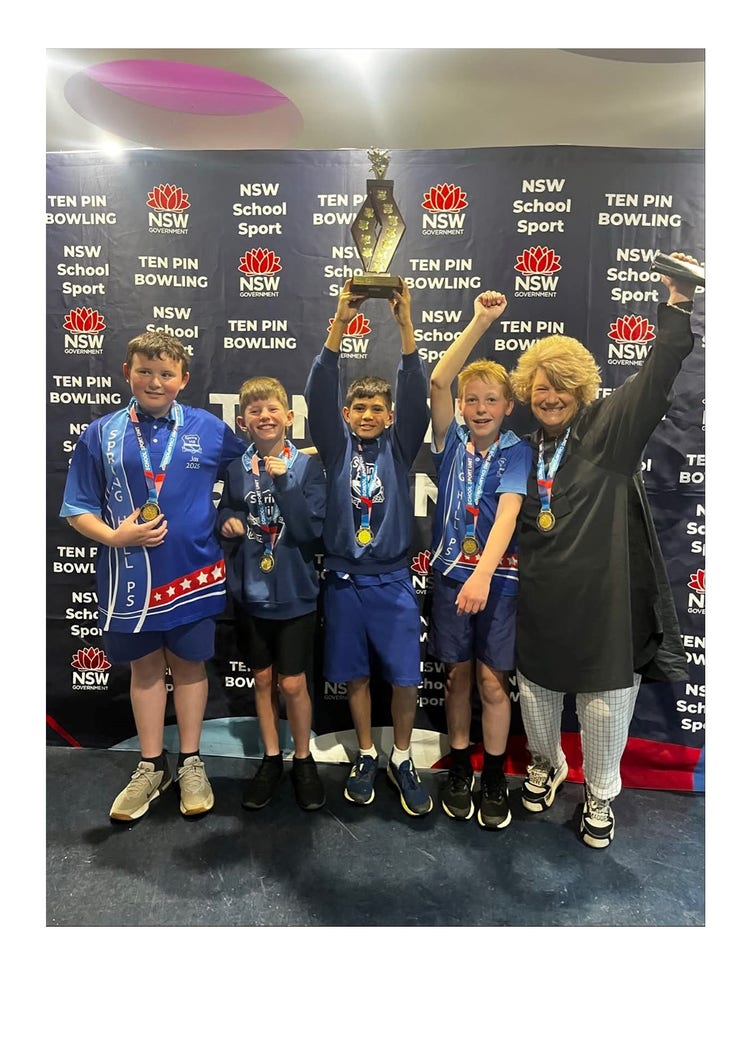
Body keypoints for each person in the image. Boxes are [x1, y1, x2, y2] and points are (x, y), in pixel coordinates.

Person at [509, 252, 699, 849]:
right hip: (542, 603)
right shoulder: (522, 451)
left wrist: (678, 303)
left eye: (562, 386)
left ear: (582, 389)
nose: (551, 397)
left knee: (603, 709)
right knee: (537, 701)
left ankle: (599, 794)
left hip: (606, 605)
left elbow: (657, 374)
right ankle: (546, 766)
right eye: (541, 387)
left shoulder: (609, 429)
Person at [60, 329, 247, 822]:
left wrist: (234, 510)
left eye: (166, 373)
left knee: (189, 668)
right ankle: (150, 766)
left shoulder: (208, 428)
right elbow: (77, 507)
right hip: (130, 579)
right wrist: (114, 536)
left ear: (183, 379)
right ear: (127, 373)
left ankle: (191, 762)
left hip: (194, 574)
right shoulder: (101, 433)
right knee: (144, 671)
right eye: (144, 371)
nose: (155, 381)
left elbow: (249, 474)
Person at [304, 278, 432, 816]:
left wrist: (405, 325)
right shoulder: (335, 449)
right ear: (346, 413)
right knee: (355, 673)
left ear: (391, 416)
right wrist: (339, 320)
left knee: (404, 676)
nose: (368, 414)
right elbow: (318, 390)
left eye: (377, 408)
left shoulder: (400, 449)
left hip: (394, 579)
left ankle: (401, 757)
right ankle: (365, 753)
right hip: (343, 582)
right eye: (359, 406)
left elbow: (416, 391)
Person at [428, 290, 532, 829]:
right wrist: (479, 322)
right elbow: (438, 381)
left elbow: (509, 514)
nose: (481, 408)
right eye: (472, 400)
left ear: (508, 406)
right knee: (457, 679)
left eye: (492, 399)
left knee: (493, 683)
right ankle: (460, 768)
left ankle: (493, 774)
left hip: (497, 581)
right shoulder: (450, 442)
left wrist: (483, 577)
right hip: (451, 577)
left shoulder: (516, 450)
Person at [217, 376, 327, 812]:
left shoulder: (307, 468)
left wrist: (285, 485)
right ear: (243, 422)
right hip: (252, 593)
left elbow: (309, 531)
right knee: (262, 679)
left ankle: (303, 760)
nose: (264, 416)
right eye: (255, 411)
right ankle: (270, 758)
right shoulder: (236, 469)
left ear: (289, 417)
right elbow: (229, 506)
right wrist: (226, 520)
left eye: (272, 409)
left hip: (296, 593)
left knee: (293, 683)